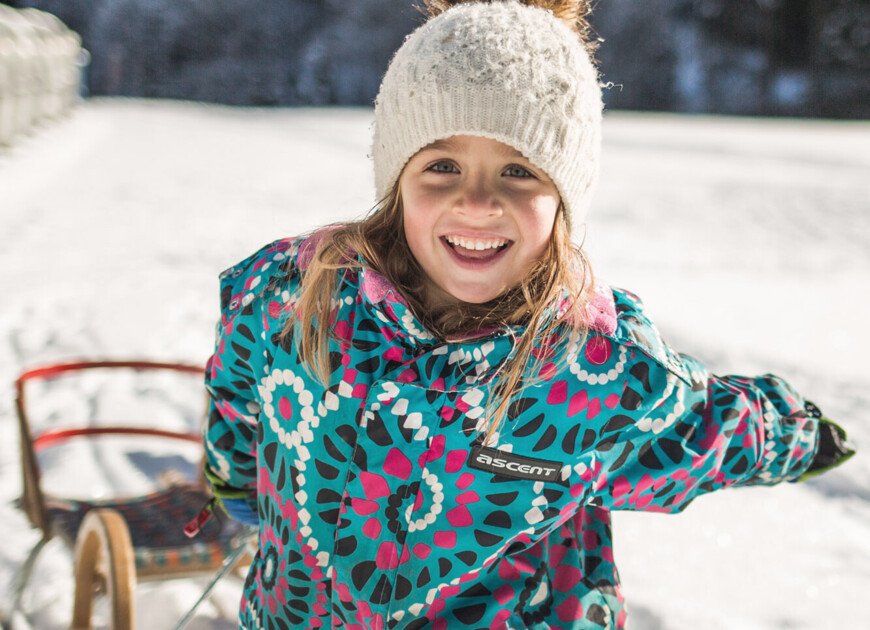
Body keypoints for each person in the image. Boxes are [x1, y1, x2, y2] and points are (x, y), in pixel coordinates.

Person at [201, 1, 854, 628]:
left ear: (564, 197)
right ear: (395, 177)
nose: (478, 201)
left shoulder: (592, 367)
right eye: (443, 165)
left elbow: (698, 429)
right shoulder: (292, 299)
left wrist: (790, 433)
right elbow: (238, 396)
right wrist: (234, 481)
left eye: (518, 170)